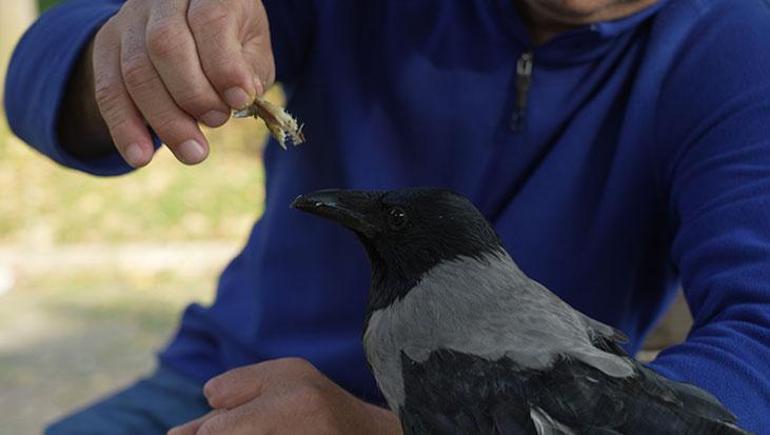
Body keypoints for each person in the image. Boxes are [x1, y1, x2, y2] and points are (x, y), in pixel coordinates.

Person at [5, 0, 770, 433]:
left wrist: (392, 431)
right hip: (223, 380)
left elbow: (761, 338)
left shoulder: (741, 47)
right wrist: (130, 49)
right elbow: (42, 67)